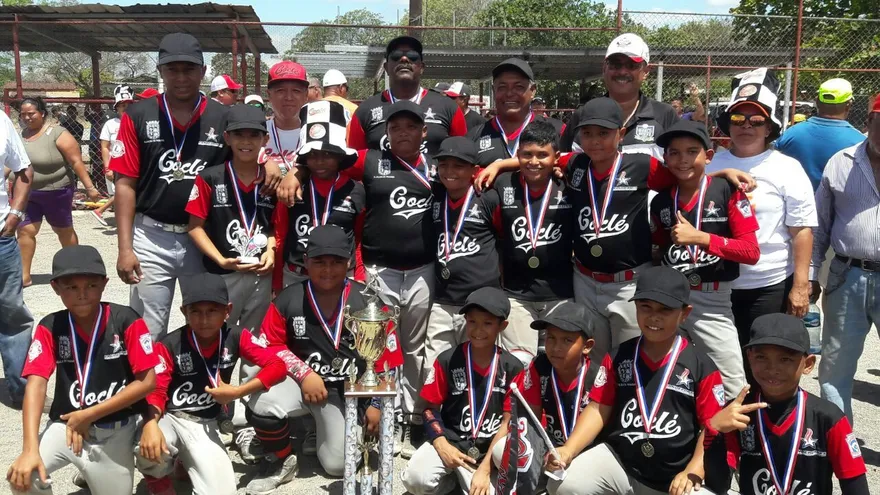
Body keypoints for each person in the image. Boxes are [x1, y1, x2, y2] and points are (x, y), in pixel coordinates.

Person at [110, 33, 283, 339]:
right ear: (160, 71)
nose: (180, 77)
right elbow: (124, 183)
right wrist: (125, 248)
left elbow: (248, 147)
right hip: (152, 234)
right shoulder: (138, 114)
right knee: (148, 329)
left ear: (203, 72)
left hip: (203, 237)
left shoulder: (222, 116)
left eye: (189, 69)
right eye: (172, 69)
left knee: (206, 323)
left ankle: (198, 385)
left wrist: (267, 162)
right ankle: (151, 387)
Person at [243, 225, 403, 492]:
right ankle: (282, 458)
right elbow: (270, 344)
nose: (327, 270)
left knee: (338, 466)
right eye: (319, 262)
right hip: (305, 386)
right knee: (262, 403)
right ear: (306, 262)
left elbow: (390, 359)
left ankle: (319, 428)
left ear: (349, 262)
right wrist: (304, 373)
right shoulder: (289, 299)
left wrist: (377, 403)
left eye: (336, 262)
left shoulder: (368, 301)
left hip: (347, 394)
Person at [546, 266, 725, 495]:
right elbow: (599, 407)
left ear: (685, 313)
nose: (653, 317)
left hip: (675, 476)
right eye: (645, 307)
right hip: (623, 465)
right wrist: (568, 450)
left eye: (665, 310)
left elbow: (712, 427)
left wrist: (694, 469)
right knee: (562, 483)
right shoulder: (618, 355)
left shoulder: (701, 365)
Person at [6, 245, 158, 495]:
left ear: (104, 284)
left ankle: (95, 475)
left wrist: (88, 415)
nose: (82, 294)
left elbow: (147, 382)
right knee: (22, 477)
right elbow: (36, 384)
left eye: (91, 285)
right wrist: (29, 449)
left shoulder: (127, 320)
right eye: (72, 287)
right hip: (66, 426)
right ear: (55, 288)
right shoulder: (51, 326)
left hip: (114, 431)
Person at [135, 272, 288, 495]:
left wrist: (238, 392)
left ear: (227, 310)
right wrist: (150, 426)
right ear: (184, 312)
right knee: (148, 443)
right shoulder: (170, 343)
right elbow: (157, 390)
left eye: (212, 311)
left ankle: (183, 464)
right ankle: (159, 484)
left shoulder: (236, 336)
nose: (204, 319)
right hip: (170, 418)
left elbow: (278, 365)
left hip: (205, 423)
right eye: (195, 311)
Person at [706, 69, 817, 368]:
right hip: (715, 283)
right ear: (727, 124)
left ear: (769, 127)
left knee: (763, 363)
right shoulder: (711, 162)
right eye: (738, 119)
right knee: (721, 363)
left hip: (767, 284)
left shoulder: (787, 168)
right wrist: (720, 174)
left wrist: (800, 285)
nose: (746, 126)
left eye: (756, 121)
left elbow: (802, 231)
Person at [650, 120, 760, 399]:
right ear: (665, 158)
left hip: (712, 301)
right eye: (674, 153)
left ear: (708, 156)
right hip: (671, 300)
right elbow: (662, 250)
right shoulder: (661, 202)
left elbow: (751, 252)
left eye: (691, 152)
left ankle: (736, 440)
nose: (682, 159)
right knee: (674, 379)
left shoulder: (728, 191)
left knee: (732, 383)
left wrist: (701, 238)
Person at [709, 313, 869, 495]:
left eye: (785, 359)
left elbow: (855, 486)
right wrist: (715, 430)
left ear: (808, 364)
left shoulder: (828, 418)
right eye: (761, 357)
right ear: (749, 358)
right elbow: (718, 484)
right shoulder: (737, 414)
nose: (772, 369)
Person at [402, 287, 523, 495]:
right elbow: (429, 409)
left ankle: (471, 478)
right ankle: (451, 483)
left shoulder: (512, 367)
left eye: (487, 323)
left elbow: (508, 422)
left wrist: (485, 468)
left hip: (489, 452)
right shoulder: (448, 360)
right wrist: (441, 445)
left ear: (502, 326)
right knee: (415, 480)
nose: (478, 330)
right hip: (452, 442)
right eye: (472, 321)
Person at [809, 93, 877, 424]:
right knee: (835, 366)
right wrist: (809, 275)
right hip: (847, 274)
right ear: (868, 124)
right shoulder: (842, 162)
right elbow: (820, 226)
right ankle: (841, 444)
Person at [481, 302, 599, 493]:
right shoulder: (540, 366)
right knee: (502, 450)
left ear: (587, 346)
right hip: (552, 450)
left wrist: (569, 453)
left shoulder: (597, 377)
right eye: (551, 338)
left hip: (585, 452)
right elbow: (530, 423)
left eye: (567, 341)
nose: (555, 347)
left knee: (562, 487)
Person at [186, 104, 277, 331]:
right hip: (222, 274)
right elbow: (195, 227)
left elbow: (275, 227)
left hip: (260, 275)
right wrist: (220, 260)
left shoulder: (272, 182)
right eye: (239, 135)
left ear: (265, 139)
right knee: (218, 338)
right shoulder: (209, 178)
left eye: (254, 135)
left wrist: (271, 251)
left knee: (255, 342)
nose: (246, 142)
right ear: (227, 137)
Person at [491, 120, 573, 365]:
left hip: (561, 293)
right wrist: (497, 165)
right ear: (517, 155)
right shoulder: (502, 184)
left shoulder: (568, 183)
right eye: (527, 155)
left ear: (556, 157)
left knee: (560, 362)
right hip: (517, 294)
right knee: (519, 363)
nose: (534, 162)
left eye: (542, 155)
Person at [426, 136, 502, 368]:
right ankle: (433, 406)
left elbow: (504, 240)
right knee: (433, 365)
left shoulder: (487, 197)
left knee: (478, 365)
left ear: (474, 169)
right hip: (443, 300)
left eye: (458, 166)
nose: (450, 171)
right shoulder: (436, 198)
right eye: (444, 165)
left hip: (480, 303)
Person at [273, 100, 362, 289]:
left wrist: (359, 276)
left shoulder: (357, 190)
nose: (320, 161)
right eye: (312, 154)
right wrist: (277, 282)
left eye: (328, 154)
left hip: (343, 276)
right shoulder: (292, 188)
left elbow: (360, 239)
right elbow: (281, 234)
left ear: (340, 156)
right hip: (296, 276)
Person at [17, 96, 100, 287]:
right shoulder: (22, 135)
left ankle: (77, 269)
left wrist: (90, 188)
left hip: (56, 192)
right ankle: (24, 276)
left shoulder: (58, 133)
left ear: (42, 113)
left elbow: (76, 161)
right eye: (23, 115)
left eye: (31, 114)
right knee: (25, 231)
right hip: (28, 193)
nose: (27, 118)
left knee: (63, 231)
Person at [560, 33, 678, 158]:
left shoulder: (664, 115)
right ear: (604, 68)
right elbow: (562, 166)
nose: (622, 71)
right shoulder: (583, 115)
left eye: (632, 65)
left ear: (646, 71)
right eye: (615, 65)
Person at [348, 36, 467, 157]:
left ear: (421, 67)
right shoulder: (365, 110)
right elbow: (354, 161)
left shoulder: (448, 107)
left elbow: (464, 156)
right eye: (396, 56)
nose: (404, 59)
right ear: (386, 68)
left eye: (413, 56)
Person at [468, 59, 563, 167]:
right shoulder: (474, 136)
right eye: (502, 87)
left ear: (532, 90)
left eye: (519, 87)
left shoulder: (558, 130)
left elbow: (574, 162)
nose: (509, 93)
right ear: (494, 91)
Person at [775, 78, 867, 191]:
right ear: (848, 104)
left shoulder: (791, 134)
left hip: (793, 204)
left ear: (817, 101)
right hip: (839, 207)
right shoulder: (861, 142)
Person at [0, 109, 33, 408]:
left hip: (1, 240)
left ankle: (22, 391)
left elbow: (24, 170)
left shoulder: (0, 120)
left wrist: (15, 215)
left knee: (13, 316)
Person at [93, 85, 135, 226]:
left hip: (132, 166)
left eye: (128, 104)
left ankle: (126, 224)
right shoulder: (110, 124)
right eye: (121, 105)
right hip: (115, 166)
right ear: (116, 107)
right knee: (120, 195)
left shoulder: (137, 122)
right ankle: (121, 223)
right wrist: (107, 167)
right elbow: (105, 147)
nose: (125, 108)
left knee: (127, 195)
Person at [260, 61, 308, 173]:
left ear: (306, 95)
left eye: (296, 91)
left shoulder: (316, 133)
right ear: (269, 95)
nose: (289, 97)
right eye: (280, 91)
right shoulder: (256, 132)